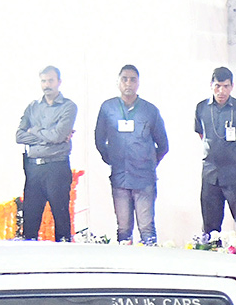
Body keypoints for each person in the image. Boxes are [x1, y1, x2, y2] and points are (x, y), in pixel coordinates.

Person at [94, 65, 168, 245]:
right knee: (123, 230)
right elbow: (99, 140)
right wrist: (112, 160)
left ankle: (151, 269)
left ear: (138, 83)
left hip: (144, 179)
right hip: (120, 178)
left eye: (133, 79)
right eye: (124, 79)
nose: (128, 83)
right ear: (118, 82)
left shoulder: (150, 110)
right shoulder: (107, 108)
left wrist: (149, 162)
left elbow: (163, 145)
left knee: (147, 229)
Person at [194, 66, 236, 239]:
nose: (221, 91)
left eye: (225, 86)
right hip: (211, 173)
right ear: (211, 85)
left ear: (231, 87)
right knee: (210, 226)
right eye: (217, 86)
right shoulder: (201, 108)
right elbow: (202, 134)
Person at [15, 66, 78, 241]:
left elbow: (58, 136)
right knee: (30, 219)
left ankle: (65, 261)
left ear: (59, 82)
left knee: (61, 217)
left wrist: (34, 130)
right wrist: (47, 137)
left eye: (50, 80)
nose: (47, 85)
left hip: (56, 167)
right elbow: (19, 136)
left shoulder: (68, 106)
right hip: (33, 168)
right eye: (43, 81)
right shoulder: (33, 107)